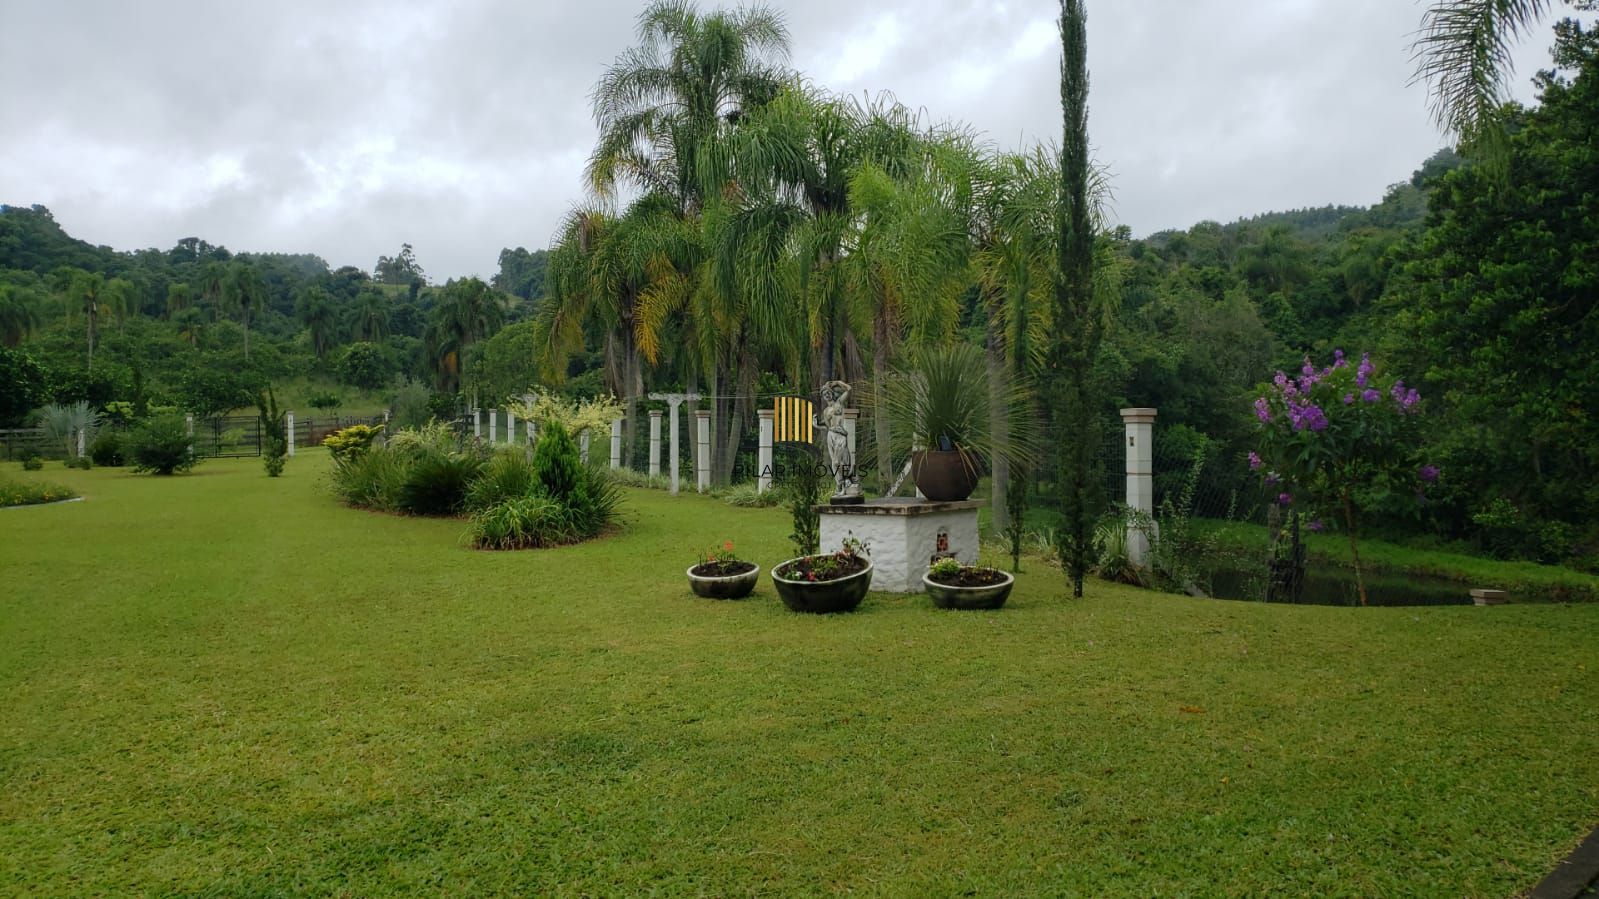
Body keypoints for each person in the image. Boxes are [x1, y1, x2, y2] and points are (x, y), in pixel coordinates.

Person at [819, 380, 861, 499]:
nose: (826, 395)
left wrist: (838, 382)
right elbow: (828, 426)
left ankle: (845, 481)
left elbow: (849, 389)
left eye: (828, 392)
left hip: (841, 435)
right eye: (824, 394)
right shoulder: (826, 411)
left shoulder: (839, 403)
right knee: (834, 463)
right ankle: (840, 485)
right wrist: (816, 425)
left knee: (840, 461)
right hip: (831, 436)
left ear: (831, 393)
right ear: (823, 397)